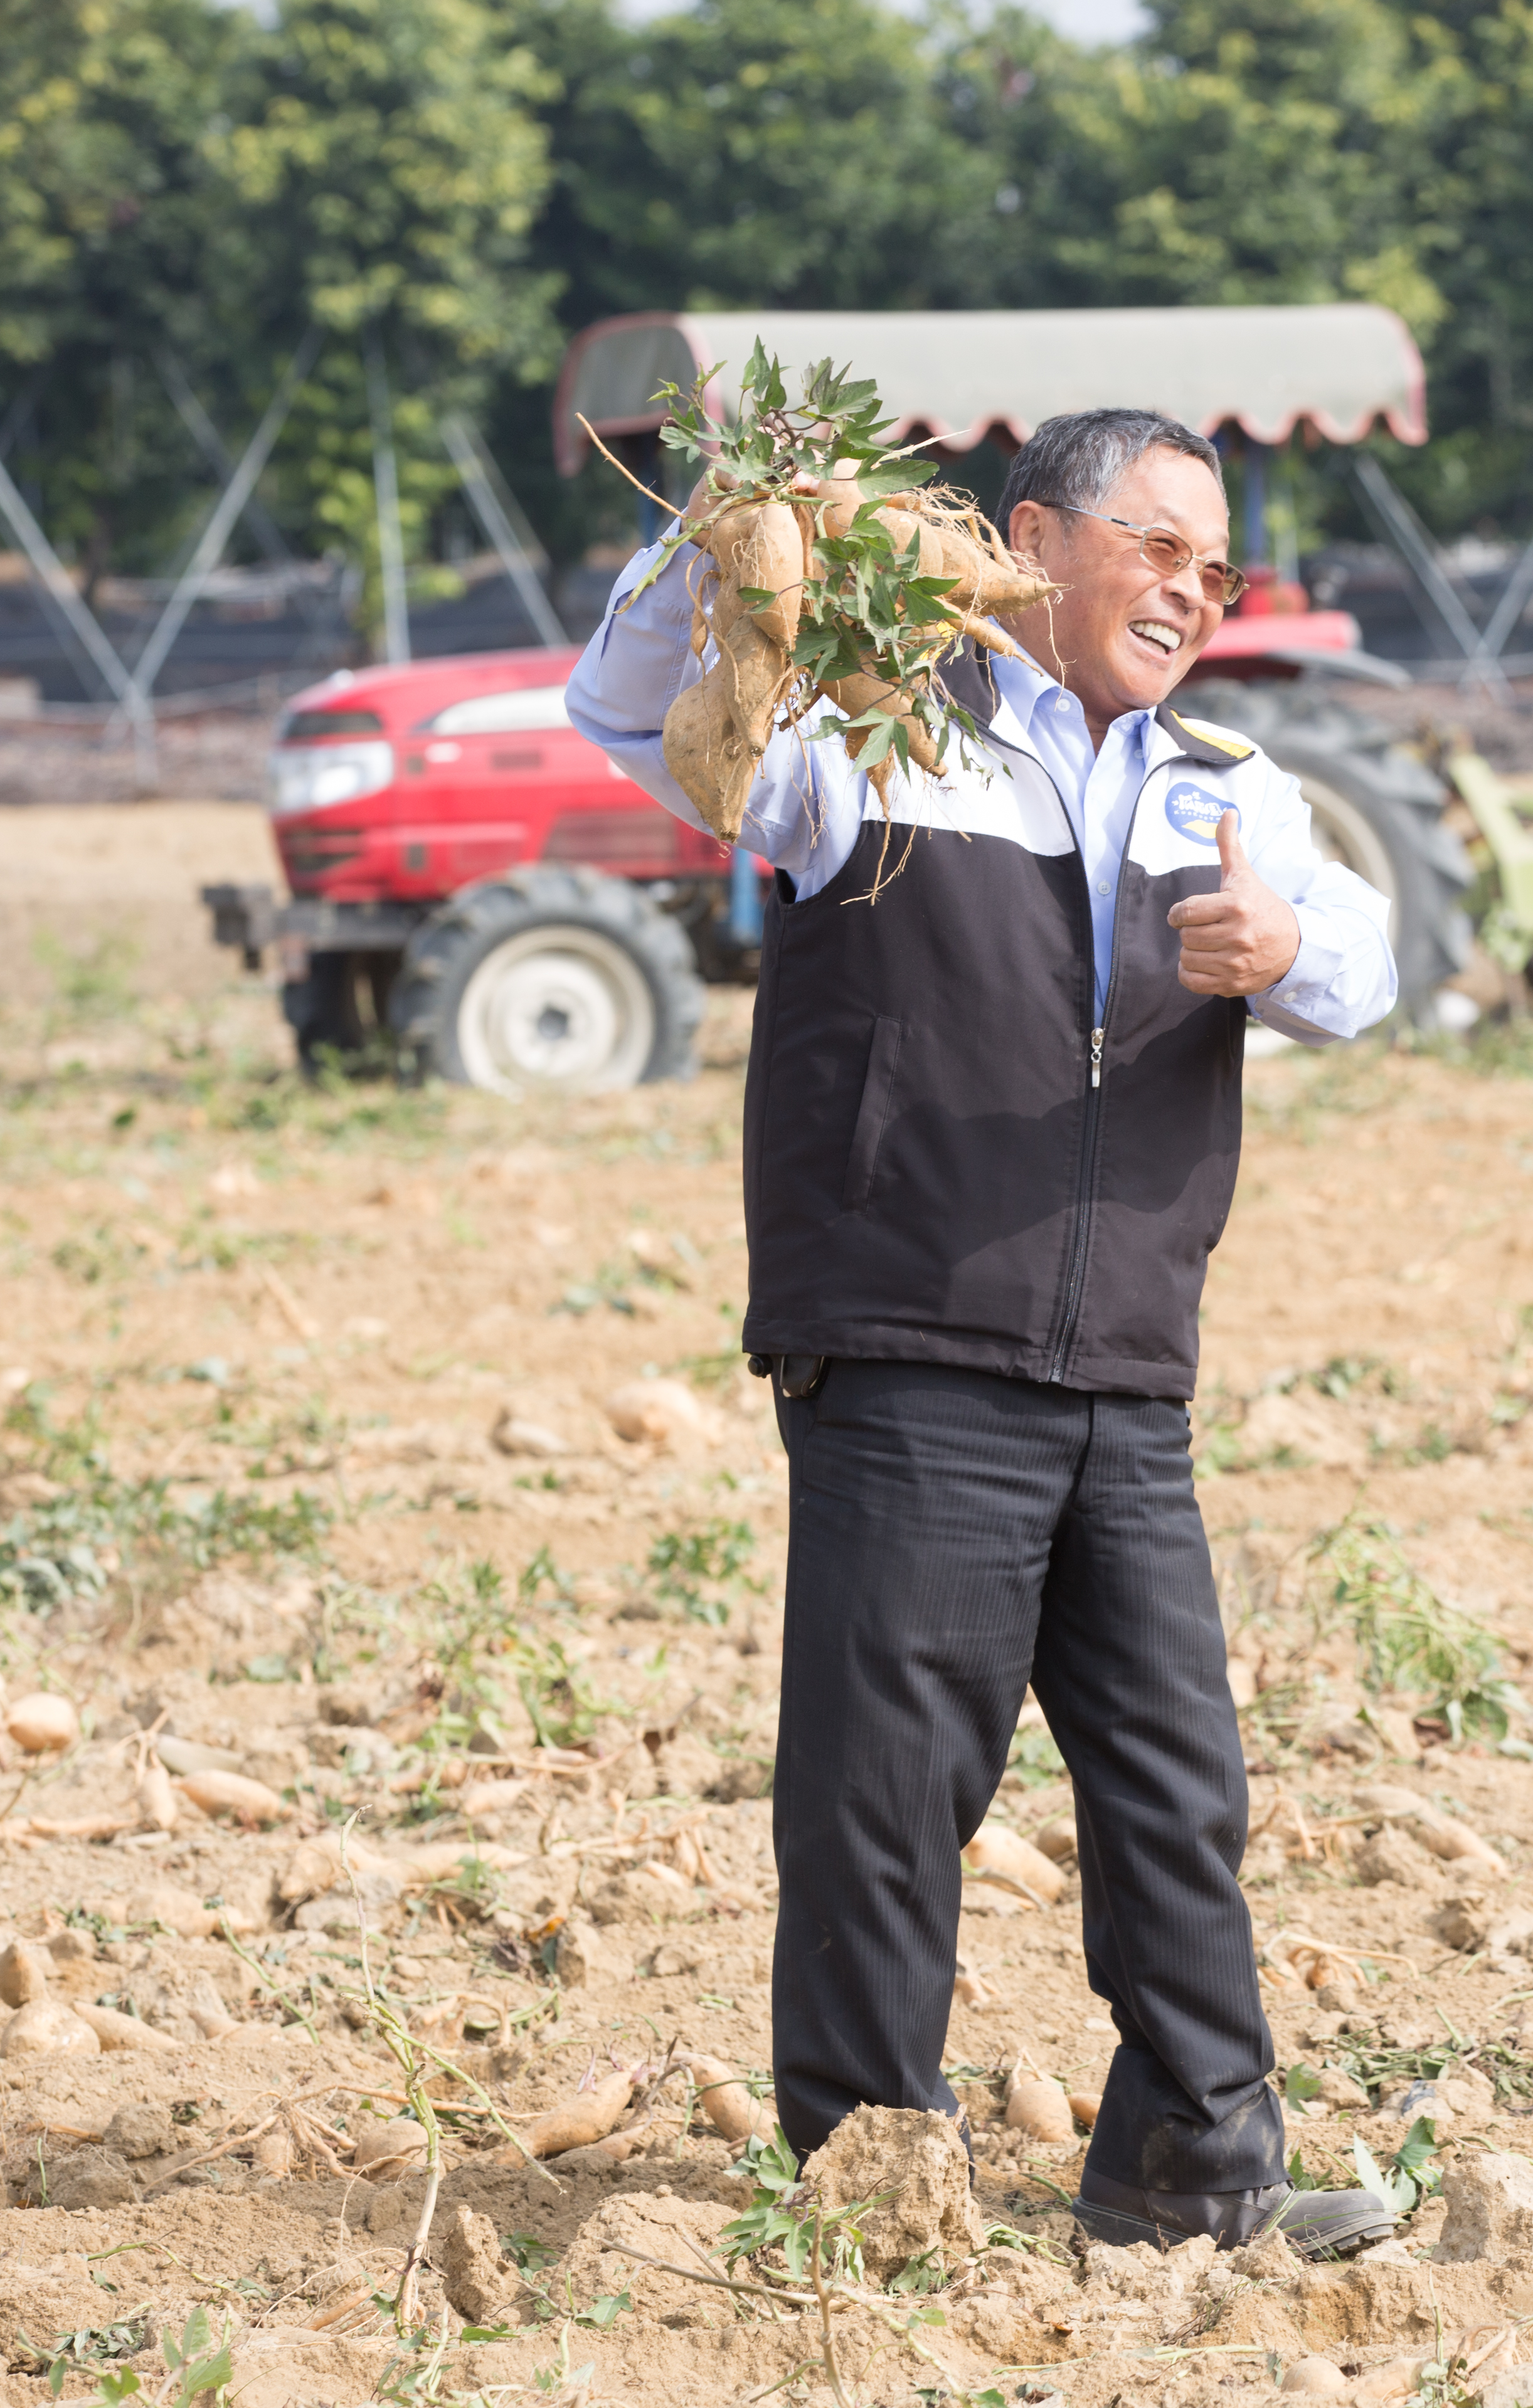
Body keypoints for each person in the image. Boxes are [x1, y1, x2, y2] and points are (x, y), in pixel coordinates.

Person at [565, 406, 1404, 2258]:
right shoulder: (872, 735)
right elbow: (628, 716)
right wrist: (711, 539)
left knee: (1178, 1787)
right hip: (911, 1340)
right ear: (1031, 538)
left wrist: (1282, 944)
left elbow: (1372, 965)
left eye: (1217, 566)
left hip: (1125, 1363)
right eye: (1158, 548)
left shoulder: (1226, 786)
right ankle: (873, 2183)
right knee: (890, 1789)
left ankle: (1196, 2166)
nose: (1193, 589)